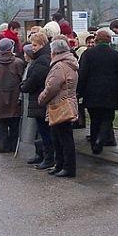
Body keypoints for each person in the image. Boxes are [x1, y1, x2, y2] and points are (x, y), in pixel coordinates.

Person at [38, 38, 79, 178]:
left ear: (54, 51)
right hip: (67, 103)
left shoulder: (59, 66)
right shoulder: (69, 63)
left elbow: (52, 87)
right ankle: (60, 165)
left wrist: (41, 98)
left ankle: (67, 167)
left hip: (60, 105)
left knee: (63, 138)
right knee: (60, 136)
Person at [77, 29, 118, 154]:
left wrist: (79, 91)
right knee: (108, 118)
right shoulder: (116, 55)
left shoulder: (88, 54)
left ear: (96, 40)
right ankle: (101, 139)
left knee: (94, 119)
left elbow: (83, 74)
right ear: (109, 40)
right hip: (110, 92)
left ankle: (94, 143)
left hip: (92, 92)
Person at [0, 38, 26, 153]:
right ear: (10, 48)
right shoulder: (18, 62)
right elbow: (23, 79)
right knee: (14, 124)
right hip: (14, 97)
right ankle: (13, 147)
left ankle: (3, 146)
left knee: (2, 124)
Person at [20, 32, 53, 169]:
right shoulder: (43, 58)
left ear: (42, 44)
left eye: (35, 45)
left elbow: (35, 79)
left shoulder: (42, 60)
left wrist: (24, 86)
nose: (32, 47)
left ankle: (48, 157)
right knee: (41, 131)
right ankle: (42, 155)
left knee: (44, 132)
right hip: (39, 100)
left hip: (40, 100)